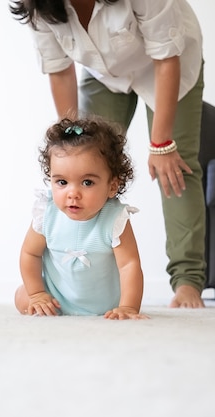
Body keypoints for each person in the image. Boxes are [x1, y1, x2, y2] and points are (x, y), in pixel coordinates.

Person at [10, 0, 206, 308]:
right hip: (105, 75)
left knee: (174, 169)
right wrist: (70, 144)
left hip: (169, 65)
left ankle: (187, 281)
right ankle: (77, 284)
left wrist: (161, 144)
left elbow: (166, 58)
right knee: (84, 168)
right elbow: (60, 71)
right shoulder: (39, 6)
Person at [15, 117, 147, 319]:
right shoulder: (46, 213)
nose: (72, 193)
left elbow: (129, 265)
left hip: (106, 305)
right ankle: (40, 299)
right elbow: (30, 254)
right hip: (56, 298)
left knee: (124, 299)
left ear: (112, 186)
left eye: (87, 182)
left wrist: (128, 307)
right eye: (62, 182)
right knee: (22, 296)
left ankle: (119, 308)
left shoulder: (114, 219)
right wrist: (37, 293)